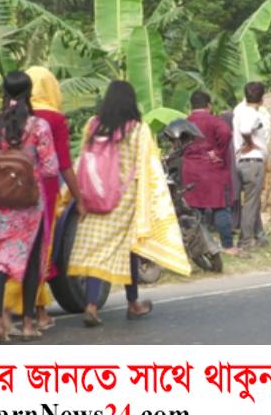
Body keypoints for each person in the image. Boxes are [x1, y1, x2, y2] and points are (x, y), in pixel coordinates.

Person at [68, 81, 186, 327]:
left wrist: (74, 195)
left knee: (95, 252)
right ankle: (133, 302)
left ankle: (91, 304)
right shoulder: (138, 129)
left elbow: (83, 160)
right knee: (129, 249)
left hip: (94, 196)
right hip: (124, 199)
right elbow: (147, 167)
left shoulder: (93, 125)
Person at [0, 71, 59, 342]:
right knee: (31, 261)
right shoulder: (38, 127)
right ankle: (26, 324)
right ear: (29, 92)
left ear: (4, 92)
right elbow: (50, 168)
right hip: (28, 205)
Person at [0, 67, 84, 333]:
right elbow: (63, 165)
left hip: (9, 190)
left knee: (17, 249)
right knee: (39, 251)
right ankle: (19, 311)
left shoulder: (7, 117)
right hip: (42, 192)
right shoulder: (53, 120)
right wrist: (80, 197)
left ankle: (38, 311)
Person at [183, 90, 238, 255]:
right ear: (208, 106)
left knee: (195, 210)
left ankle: (198, 247)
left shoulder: (185, 122)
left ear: (191, 106)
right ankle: (227, 246)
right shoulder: (214, 121)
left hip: (191, 170)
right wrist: (218, 152)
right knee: (220, 207)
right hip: (213, 170)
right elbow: (226, 133)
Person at [233, 81, 271, 251]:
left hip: (241, 161)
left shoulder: (239, 111)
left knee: (251, 201)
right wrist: (250, 143)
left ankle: (258, 235)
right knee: (250, 203)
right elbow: (246, 130)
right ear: (262, 97)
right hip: (252, 161)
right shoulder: (251, 113)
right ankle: (246, 241)